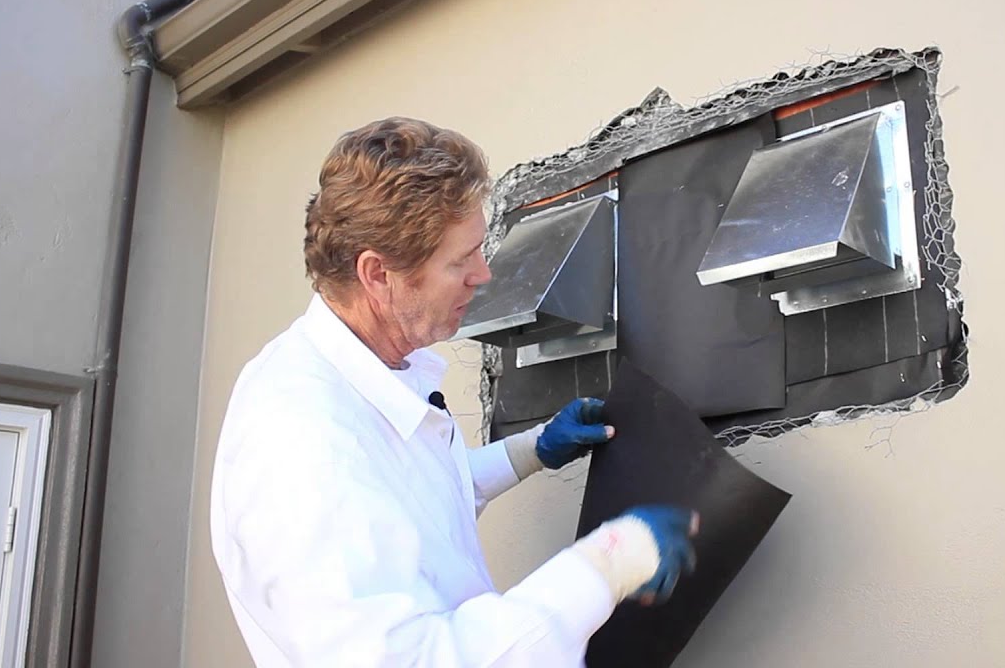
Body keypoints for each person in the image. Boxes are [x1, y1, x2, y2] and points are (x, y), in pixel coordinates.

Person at [211, 117, 700, 667]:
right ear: (378, 274)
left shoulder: (363, 376)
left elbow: (409, 510)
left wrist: (528, 452)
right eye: (460, 259)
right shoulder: (301, 444)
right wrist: (606, 564)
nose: (483, 274)